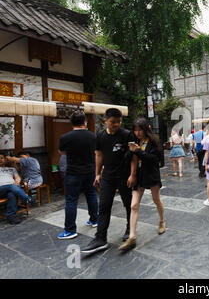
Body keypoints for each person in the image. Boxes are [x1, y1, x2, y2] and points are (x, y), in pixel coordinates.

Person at [81, 108, 137, 254]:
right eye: (113, 122)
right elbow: (98, 155)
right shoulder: (100, 136)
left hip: (124, 176)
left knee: (128, 204)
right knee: (104, 206)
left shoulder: (126, 134)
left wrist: (132, 175)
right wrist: (97, 174)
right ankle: (100, 238)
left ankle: (129, 228)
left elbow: (133, 156)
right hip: (107, 176)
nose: (116, 124)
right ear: (105, 120)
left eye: (119, 121)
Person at [119, 118, 165, 250]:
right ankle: (132, 236)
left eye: (140, 129)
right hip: (138, 176)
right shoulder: (133, 141)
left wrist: (139, 151)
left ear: (146, 129)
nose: (138, 132)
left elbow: (155, 160)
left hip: (151, 175)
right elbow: (128, 159)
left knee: (156, 200)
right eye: (136, 130)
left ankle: (162, 221)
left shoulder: (153, 141)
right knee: (133, 205)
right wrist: (131, 151)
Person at [57, 111, 98, 240]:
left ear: (72, 123)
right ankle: (94, 220)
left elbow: (61, 151)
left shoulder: (65, 137)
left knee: (71, 200)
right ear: (85, 122)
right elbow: (97, 152)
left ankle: (70, 230)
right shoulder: (93, 136)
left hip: (73, 172)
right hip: (90, 171)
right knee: (91, 195)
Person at [0, 153, 34, 224]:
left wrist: (17, 181)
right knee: (11, 186)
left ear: (5, 160)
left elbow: (17, 177)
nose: (0, 160)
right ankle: (27, 199)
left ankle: (11, 217)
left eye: (1, 158)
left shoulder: (12, 169)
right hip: (1, 189)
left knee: (12, 194)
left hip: (11, 188)